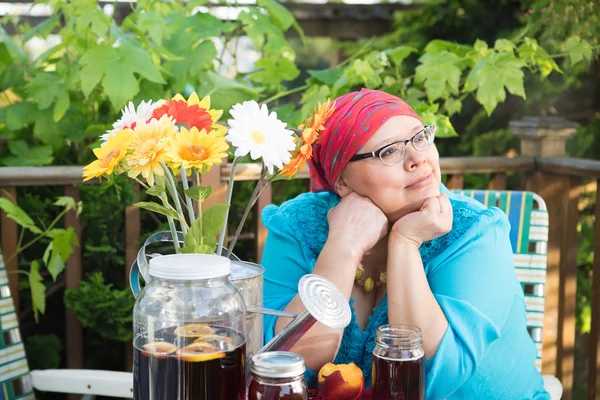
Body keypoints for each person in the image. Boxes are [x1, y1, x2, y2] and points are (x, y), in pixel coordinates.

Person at [260, 89, 550, 399]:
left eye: (420, 138)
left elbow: (436, 379)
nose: (417, 159)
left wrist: (405, 242)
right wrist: (343, 246)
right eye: (389, 151)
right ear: (342, 181)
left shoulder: (477, 233)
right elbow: (282, 365)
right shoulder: (298, 226)